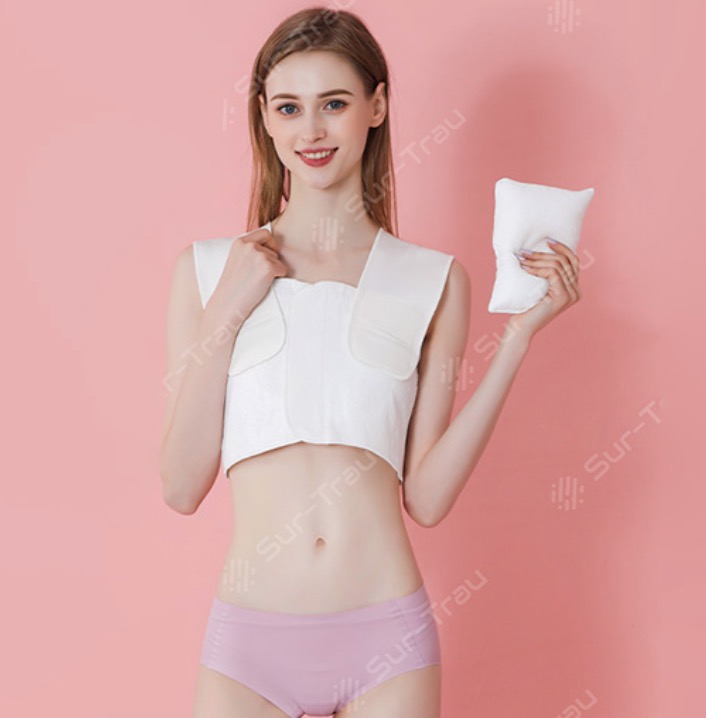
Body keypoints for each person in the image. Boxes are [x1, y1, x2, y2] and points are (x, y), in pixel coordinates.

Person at [160, 6, 582, 718]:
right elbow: (180, 484)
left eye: (334, 104)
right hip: (249, 647)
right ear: (264, 117)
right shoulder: (205, 270)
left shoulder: (433, 280)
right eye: (289, 107)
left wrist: (518, 338)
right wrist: (227, 308)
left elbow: (428, 498)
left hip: (386, 636)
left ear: (377, 106)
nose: (311, 130)